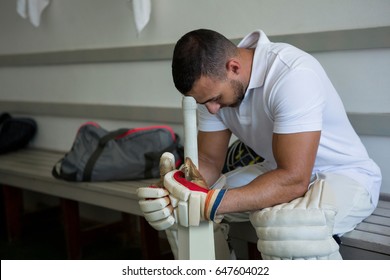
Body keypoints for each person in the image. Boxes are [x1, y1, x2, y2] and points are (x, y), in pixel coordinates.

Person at [138, 29, 382, 260]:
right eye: (204, 103)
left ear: (233, 67)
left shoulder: (292, 74)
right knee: (183, 213)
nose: (211, 109)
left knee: (290, 229)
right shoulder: (212, 91)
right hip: (277, 170)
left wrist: (210, 202)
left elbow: (295, 179)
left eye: (215, 99)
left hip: (343, 174)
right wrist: (175, 188)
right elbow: (210, 162)